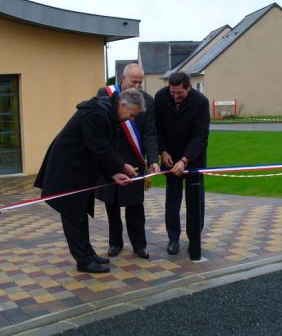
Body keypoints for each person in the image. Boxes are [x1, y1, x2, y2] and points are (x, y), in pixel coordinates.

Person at [34, 88, 145, 273]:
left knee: (80, 212)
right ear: (123, 105)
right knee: (72, 214)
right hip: (67, 170)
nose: (131, 120)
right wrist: (122, 166)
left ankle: (87, 253)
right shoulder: (96, 114)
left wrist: (113, 173)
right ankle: (83, 260)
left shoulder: (107, 113)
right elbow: (99, 148)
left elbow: (100, 149)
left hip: (80, 170)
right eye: (131, 115)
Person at [96, 64, 159, 259]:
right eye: (134, 81)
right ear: (123, 78)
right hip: (110, 159)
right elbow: (100, 127)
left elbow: (150, 132)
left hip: (135, 160)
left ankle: (139, 245)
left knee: (135, 207)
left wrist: (153, 159)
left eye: (140, 82)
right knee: (111, 205)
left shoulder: (147, 101)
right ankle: (115, 243)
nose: (138, 85)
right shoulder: (105, 93)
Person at [155, 72, 210, 255]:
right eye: (172, 92)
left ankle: (194, 238)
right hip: (169, 157)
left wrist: (185, 160)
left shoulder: (201, 102)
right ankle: (173, 238)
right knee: (172, 199)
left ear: (189, 87)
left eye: (180, 93)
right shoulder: (161, 97)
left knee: (195, 200)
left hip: (193, 159)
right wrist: (162, 151)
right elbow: (158, 128)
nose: (175, 96)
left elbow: (200, 136)